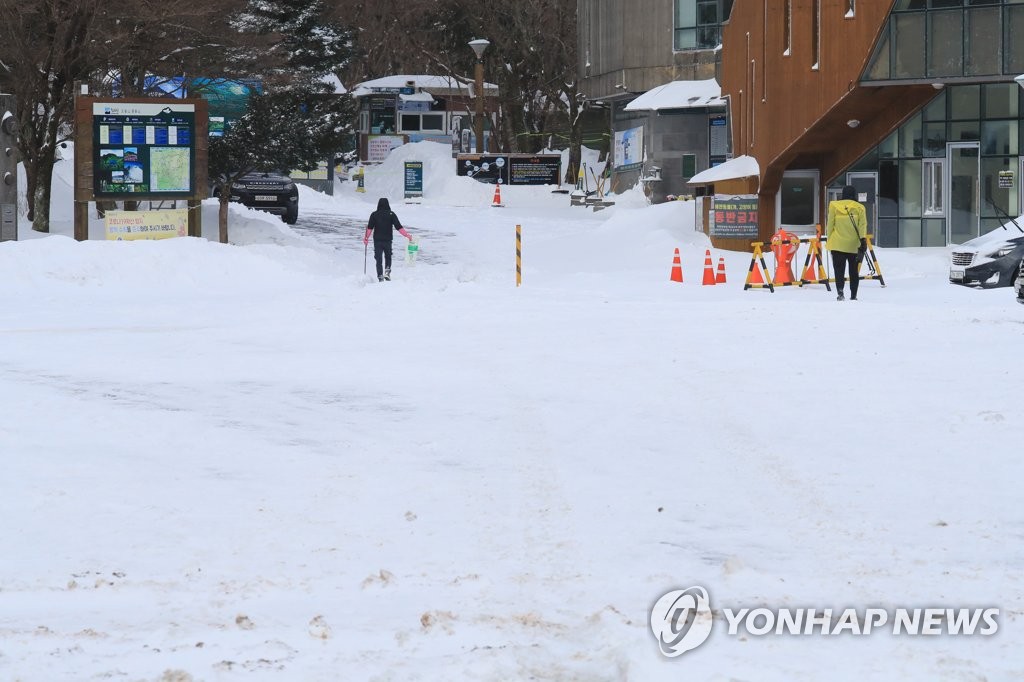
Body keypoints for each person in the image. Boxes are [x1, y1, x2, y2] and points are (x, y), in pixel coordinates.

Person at [825, 185, 868, 301]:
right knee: (853, 271)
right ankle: (853, 295)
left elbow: (830, 225)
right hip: (854, 245)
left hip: (837, 244)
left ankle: (840, 292)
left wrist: (830, 239)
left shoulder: (834, 206)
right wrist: (863, 239)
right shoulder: (860, 207)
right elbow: (862, 226)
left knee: (839, 270)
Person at [364, 197, 413, 281]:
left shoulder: (374, 214)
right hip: (387, 240)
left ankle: (380, 276)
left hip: (377, 240)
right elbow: (399, 227)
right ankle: (387, 271)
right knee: (388, 256)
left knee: (378, 259)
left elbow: (369, 228)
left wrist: (366, 238)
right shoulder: (391, 214)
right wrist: (406, 235)